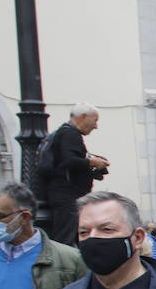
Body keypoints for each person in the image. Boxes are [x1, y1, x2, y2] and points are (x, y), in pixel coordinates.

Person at [37, 104, 108, 246]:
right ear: (83, 117)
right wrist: (92, 162)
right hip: (67, 194)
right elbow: (69, 160)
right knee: (66, 238)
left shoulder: (62, 133)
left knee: (69, 235)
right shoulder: (71, 134)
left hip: (61, 193)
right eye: (95, 120)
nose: (96, 126)